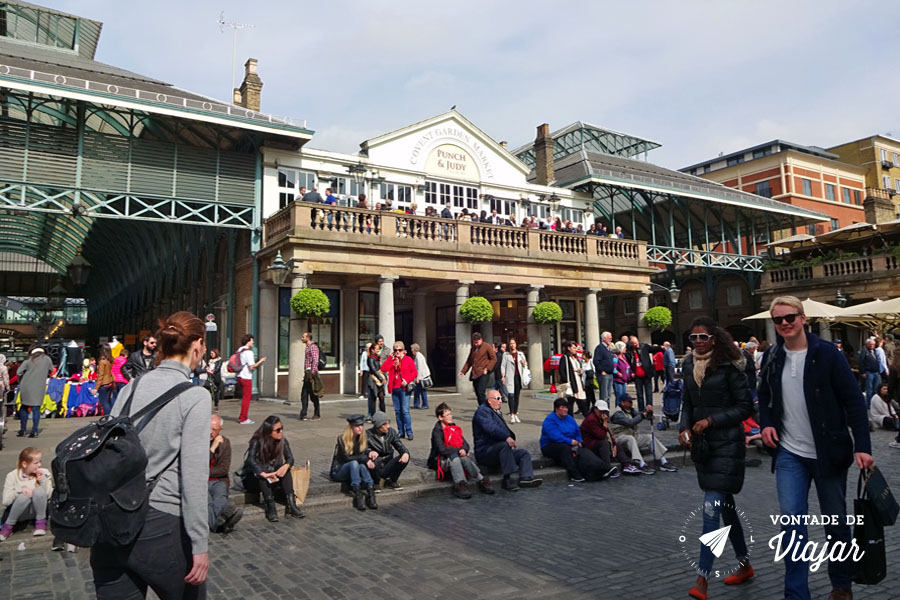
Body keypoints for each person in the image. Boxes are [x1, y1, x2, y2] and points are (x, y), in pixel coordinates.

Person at [759, 296, 872, 600]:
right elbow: (764, 395)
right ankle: (796, 594)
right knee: (792, 524)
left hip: (828, 451)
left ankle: (841, 584)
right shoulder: (772, 355)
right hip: (788, 453)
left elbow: (853, 401)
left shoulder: (827, 354)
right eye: (778, 320)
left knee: (835, 523)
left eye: (789, 318)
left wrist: (862, 445)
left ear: (803, 318)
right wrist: (766, 423)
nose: (784, 324)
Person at [93, 311, 211, 599]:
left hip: (112, 522)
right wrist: (199, 543)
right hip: (160, 524)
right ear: (196, 345)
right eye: (204, 346)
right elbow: (194, 477)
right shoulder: (195, 396)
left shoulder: (130, 388)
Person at [678, 316, 754, 599]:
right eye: (693, 338)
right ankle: (745, 565)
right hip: (704, 448)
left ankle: (702, 579)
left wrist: (711, 420)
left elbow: (744, 407)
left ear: (714, 338)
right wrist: (684, 427)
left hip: (727, 444)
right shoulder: (688, 364)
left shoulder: (729, 365)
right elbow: (688, 401)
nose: (697, 342)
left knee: (711, 509)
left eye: (702, 337)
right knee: (726, 509)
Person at [473, 390, 543, 491]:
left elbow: (502, 429)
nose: (501, 401)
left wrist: (510, 437)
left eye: (501, 398)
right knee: (504, 445)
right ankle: (507, 479)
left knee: (523, 453)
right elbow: (491, 429)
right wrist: (506, 437)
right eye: (498, 399)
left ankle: (526, 478)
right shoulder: (482, 412)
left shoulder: (495, 411)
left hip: (499, 449)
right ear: (489, 400)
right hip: (485, 451)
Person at [427, 402, 494, 499]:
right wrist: (459, 450)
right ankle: (460, 484)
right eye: (447, 415)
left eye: (450, 414)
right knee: (456, 459)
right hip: (441, 459)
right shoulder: (437, 431)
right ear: (440, 417)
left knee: (464, 458)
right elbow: (441, 449)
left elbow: (465, 443)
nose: (450, 417)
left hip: (455, 455)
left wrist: (464, 449)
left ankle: (481, 479)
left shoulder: (453, 427)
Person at [245, 415, 304, 522]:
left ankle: (291, 504)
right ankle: (270, 506)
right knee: (264, 472)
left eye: (282, 428)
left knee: (286, 469)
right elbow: (250, 460)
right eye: (277, 430)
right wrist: (262, 473)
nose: (281, 431)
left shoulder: (282, 440)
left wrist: (286, 466)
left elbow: (290, 458)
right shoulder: (257, 440)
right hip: (256, 478)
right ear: (269, 432)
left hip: (274, 475)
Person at [540, 398, 609, 482]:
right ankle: (574, 474)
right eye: (563, 407)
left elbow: (577, 431)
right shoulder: (550, 420)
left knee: (583, 450)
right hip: (550, 445)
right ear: (557, 409)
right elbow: (555, 436)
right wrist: (570, 442)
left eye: (566, 407)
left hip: (571, 443)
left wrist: (578, 440)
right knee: (565, 448)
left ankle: (601, 468)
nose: (565, 410)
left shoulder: (569, 418)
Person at [610, 394, 677, 473]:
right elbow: (630, 422)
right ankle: (641, 464)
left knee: (649, 437)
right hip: (620, 439)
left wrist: (648, 412)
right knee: (630, 439)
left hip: (633, 437)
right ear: (622, 402)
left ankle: (663, 461)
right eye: (629, 401)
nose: (631, 403)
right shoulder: (618, 413)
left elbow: (642, 416)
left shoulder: (631, 410)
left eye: (631, 401)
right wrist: (642, 415)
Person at [0, 447, 52, 540]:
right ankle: (8, 526)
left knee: (39, 491)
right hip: (19, 512)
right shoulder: (12, 476)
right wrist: (20, 491)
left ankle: (40, 523)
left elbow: (49, 495)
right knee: (24, 496)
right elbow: (5, 501)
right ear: (24, 464)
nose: (39, 465)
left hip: (37, 511)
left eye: (40, 461)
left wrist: (43, 480)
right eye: (36, 463)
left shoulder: (44, 473)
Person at [330, 415, 378, 511]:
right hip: (339, 470)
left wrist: (370, 452)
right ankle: (358, 494)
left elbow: (364, 452)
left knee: (361, 465)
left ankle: (371, 492)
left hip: (355, 469)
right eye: (357, 426)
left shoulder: (363, 438)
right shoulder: (342, 439)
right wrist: (365, 459)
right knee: (354, 463)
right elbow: (347, 457)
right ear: (351, 427)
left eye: (361, 425)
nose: (360, 428)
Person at [208, 415, 242, 533]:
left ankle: (221, 520)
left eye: (214, 430)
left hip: (219, 480)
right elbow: (198, 465)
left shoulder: (225, 443)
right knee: (207, 501)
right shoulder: (199, 442)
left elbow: (223, 469)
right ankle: (223, 525)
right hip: (201, 482)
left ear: (220, 430)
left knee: (219, 497)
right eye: (209, 429)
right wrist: (212, 448)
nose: (211, 432)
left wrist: (203, 472)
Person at [581, 400, 629, 476]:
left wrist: (614, 444)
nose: (602, 413)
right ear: (595, 409)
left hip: (597, 442)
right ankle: (607, 467)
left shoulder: (599, 418)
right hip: (590, 445)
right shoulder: (591, 419)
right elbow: (601, 435)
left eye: (604, 411)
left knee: (616, 445)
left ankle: (626, 465)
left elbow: (608, 434)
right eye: (601, 411)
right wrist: (605, 423)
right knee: (604, 443)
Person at [381, 341, 417, 440]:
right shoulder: (392, 361)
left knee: (405, 411)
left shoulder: (408, 359)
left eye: (399, 350)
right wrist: (390, 358)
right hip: (395, 388)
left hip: (404, 388)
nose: (397, 352)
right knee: (397, 411)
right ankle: (401, 431)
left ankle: (409, 431)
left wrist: (407, 380)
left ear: (403, 350)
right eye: (395, 350)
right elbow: (383, 368)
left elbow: (414, 372)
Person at [15, 346, 53, 438]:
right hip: (39, 386)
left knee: (24, 407)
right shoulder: (47, 359)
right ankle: (34, 430)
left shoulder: (28, 360)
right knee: (36, 409)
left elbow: (18, 372)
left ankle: (22, 430)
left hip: (26, 386)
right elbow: (51, 370)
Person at [365, 411, 410, 489]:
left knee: (405, 457)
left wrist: (405, 453)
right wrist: (369, 451)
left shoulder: (391, 432)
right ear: (378, 426)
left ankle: (392, 480)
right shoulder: (367, 434)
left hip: (387, 462)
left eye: (388, 423)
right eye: (385, 424)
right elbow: (362, 449)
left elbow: (399, 445)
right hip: (376, 464)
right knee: (369, 462)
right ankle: (376, 482)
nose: (388, 426)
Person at [460, 332, 497, 406]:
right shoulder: (473, 348)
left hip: (483, 372)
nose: (476, 344)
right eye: (474, 342)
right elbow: (469, 361)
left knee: (481, 391)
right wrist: (463, 371)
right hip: (475, 373)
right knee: (477, 392)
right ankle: (482, 406)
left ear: (481, 339)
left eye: (477, 342)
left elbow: (494, 358)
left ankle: (484, 408)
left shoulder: (487, 346)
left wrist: (488, 368)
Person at [236, 334, 266, 425]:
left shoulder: (239, 350)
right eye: (252, 340)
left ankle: (242, 416)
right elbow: (252, 367)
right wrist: (261, 361)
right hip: (246, 377)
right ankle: (243, 418)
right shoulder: (249, 352)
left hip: (239, 375)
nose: (253, 342)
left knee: (244, 397)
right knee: (247, 398)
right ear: (248, 341)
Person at [627, 336, 662, 411]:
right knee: (639, 394)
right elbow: (628, 363)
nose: (636, 344)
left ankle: (649, 408)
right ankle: (641, 409)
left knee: (649, 393)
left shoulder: (644, 346)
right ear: (631, 344)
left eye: (636, 342)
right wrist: (631, 372)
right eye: (633, 343)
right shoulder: (629, 351)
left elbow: (653, 348)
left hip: (646, 373)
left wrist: (661, 347)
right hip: (637, 376)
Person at [557, 340, 589, 417]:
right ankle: (570, 419)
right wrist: (566, 381)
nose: (575, 349)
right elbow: (562, 371)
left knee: (582, 401)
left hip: (578, 380)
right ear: (569, 348)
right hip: (571, 382)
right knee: (570, 402)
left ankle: (587, 417)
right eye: (574, 348)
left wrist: (580, 370)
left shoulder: (576, 358)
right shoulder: (565, 358)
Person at [500, 338, 528, 423]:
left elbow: (525, 365)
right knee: (511, 396)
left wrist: (523, 364)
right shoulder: (506, 354)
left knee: (516, 396)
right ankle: (512, 414)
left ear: (516, 344)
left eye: (513, 343)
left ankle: (515, 414)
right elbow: (503, 366)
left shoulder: (520, 354)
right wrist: (503, 376)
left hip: (518, 377)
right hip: (510, 377)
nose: (512, 345)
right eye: (510, 344)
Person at [300, 331, 322, 421]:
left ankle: (316, 414)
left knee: (313, 394)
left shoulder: (313, 347)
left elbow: (315, 360)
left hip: (311, 373)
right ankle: (303, 414)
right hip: (307, 372)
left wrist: (312, 373)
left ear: (308, 338)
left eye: (303, 337)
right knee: (304, 394)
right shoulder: (308, 347)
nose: (302, 338)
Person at [593, 332, 615, 407]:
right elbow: (596, 361)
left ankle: (607, 412)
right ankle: (603, 413)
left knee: (608, 395)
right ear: (604, 338)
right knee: (604, 396)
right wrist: (601, 371)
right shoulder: (600, 348)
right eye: (609, 337)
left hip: (610, 374)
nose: (611, 339)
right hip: (604, 374)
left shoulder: (608, 348)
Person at [857, 337, 880, 408]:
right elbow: (860, 362)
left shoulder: (875, 351)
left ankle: (874, 403)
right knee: (869, 389)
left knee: (876, 389)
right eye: (870, 344)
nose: (871, 346)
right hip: (869, 372)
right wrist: (863, 372)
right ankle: (868, 404)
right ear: (867, 344)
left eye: (873, 344)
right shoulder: (864, 351)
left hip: (876, 372)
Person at [95, 345, 117, 419]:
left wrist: (96, 388)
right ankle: (111, 417)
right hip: (110, 382)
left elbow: (101, 375)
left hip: (104, 383)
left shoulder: (102, 361)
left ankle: (108, 418)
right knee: (107, 401)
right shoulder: (110, 360)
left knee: (104, 402)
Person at [366, 342, 386, 419]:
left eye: (379, 349)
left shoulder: (377, 357)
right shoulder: (371, 358)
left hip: (379, 378)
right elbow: (373, 369)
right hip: (374, 380)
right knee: (373, 398)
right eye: (377, 349)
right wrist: (381, 378)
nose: (378, 350)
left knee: (381, 397)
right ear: (373, 350)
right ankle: (372, 415)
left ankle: (383, 414)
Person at [411, 343, 431, 410]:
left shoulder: (418, 356)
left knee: (422, 391)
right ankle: (417, 404)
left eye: (412, 349)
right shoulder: (419, 355)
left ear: (414, 350)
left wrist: (418, 378)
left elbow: (419, 367)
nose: (411, 351)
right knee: (418, 391)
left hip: (422, 376)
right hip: (422, 376)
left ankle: (424, 404)